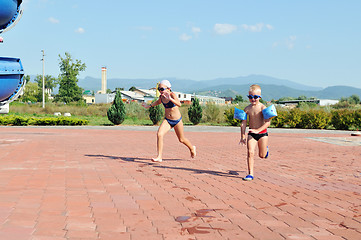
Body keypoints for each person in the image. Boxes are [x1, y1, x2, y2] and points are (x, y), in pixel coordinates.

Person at [143, 80, 196, 162]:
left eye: (161, 89)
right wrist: (149, 106)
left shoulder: (172, 95)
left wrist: (170, 99)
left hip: (177, 121)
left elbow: (179, 104)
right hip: (168, 120)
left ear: (168, 89)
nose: (160, 91)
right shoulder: (161, 97)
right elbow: (158, 102)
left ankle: (192, 148)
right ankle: (159, 157)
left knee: (181, 139)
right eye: (158, 89)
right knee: (159, 134)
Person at [240, 84, 270, 181]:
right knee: (250, 152)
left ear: (260, 97)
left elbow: (268, 122)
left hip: (262, 134)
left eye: (255, 97)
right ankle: (250, 174)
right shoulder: (247, 109)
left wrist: (258, 130)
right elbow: (243, 123)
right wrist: (242, 136)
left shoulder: (263, 108)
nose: (253, 99)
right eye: (250, 97)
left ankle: (266, 151)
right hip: (252, 134)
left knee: (262, 155)